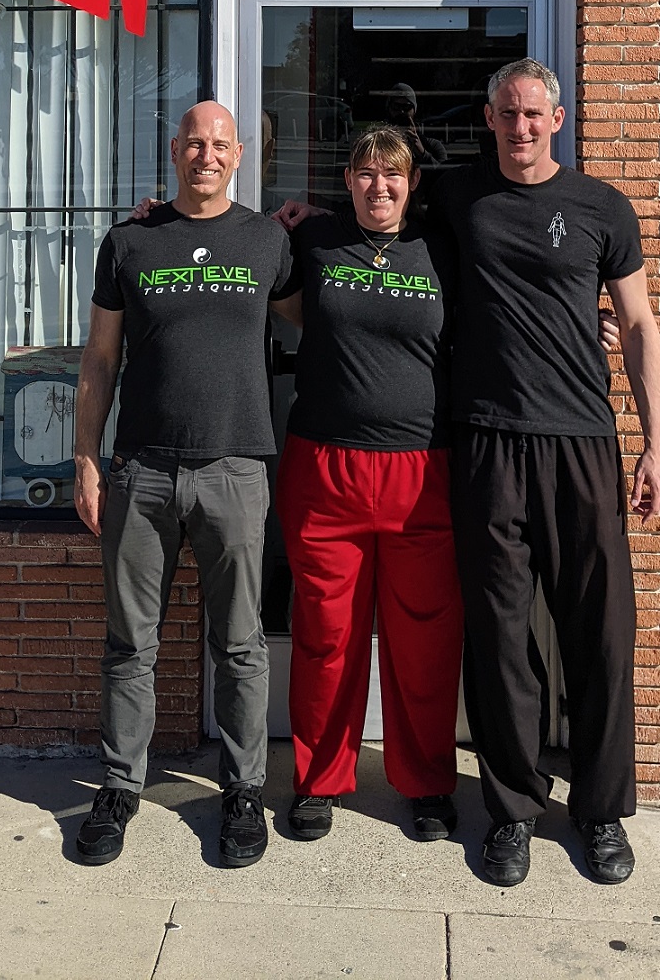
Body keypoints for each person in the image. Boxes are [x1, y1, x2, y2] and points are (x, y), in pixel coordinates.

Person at [434, 58, 660, 889]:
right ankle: (512, 809)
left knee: (599, 632)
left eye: (533, 113)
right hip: (488, 442)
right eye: (507, 113)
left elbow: (638, 323)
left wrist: (656, 445)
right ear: (488, 117)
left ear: (557, 119)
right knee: (500, 637)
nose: (520, 126)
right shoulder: (456, 197)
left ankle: (600, 810)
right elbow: (372, 221)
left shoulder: (603, 207)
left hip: (581, 443)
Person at [72, 100, 297, 870]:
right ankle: (118, 785)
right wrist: (86, 458)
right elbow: (100, 360)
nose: (206, 153)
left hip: (237, 469)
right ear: (173, 150)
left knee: (239, 642)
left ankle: (241, 791)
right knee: (129, 641)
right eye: (194, 142)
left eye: (220, 144)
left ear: (240, 155)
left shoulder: (268, 240)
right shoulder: (130, 240)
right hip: (142, 469)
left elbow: (332, 318)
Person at [274, 126, 462, 845]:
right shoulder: (312, 240)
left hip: (423, 470)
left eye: (391, 174)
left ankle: (427, 782)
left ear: (411, 183)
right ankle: (319, 779)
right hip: (325, 466)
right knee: (327, 636)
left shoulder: (442, 250)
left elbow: (516, 303)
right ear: (345, 179)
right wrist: (156, 217)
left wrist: (589, 319)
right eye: (363, 172)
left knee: (424, 640)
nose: (377, 185)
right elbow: (226, 245)